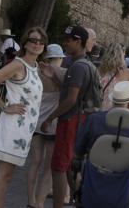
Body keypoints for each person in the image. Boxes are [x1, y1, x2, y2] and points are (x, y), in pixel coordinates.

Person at [0, 27, 47, 208]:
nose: (37, 44)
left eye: (41, 42)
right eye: (33, 40)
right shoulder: (18, 64)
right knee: (5, 176)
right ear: (25, 42)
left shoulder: (34, 67)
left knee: (1, 176)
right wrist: (5, 106)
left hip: (23, 132)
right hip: (13, 128)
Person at [74, 81, 129, 207]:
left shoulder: (93, 120)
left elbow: (78, 151)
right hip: (121, 192)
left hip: (92, 187)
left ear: (113, 101)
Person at [40, 25, 95, 208]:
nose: (66, 44)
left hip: (70, 120)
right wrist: (53, 76)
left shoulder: (78, 66)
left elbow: (70, 100)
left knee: (59, 168)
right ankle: (80, 201)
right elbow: (71, 92)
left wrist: (50, 118)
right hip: (78, 120)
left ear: (78, 42)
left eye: (69, 40)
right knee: (70, 166)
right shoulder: (84, 64)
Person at [27, 44, 65, 208]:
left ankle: (31, 201)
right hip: (51, 124)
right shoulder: (58, 74)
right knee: (49, 168)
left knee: (35, 162)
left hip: (35, 123)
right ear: (59, 58)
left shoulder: (37, 72)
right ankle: (40, 203)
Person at [99, 43, 129, 110]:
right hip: (115, 111)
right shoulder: (126, 73)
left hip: (100, 109)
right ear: (121, 56)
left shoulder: (99, 69)